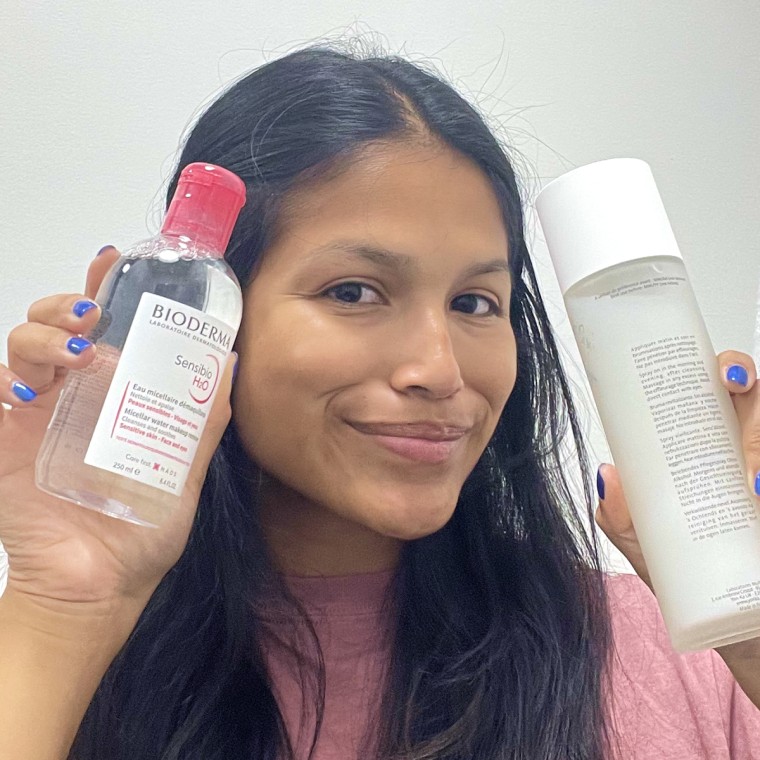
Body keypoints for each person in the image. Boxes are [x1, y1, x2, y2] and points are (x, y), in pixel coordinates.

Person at [0, 43, 759, 760]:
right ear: (207, 311)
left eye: (475, 302)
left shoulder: (673, 650)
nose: (440, 369)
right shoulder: (54, 657)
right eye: (354, 291)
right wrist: (69, 602)